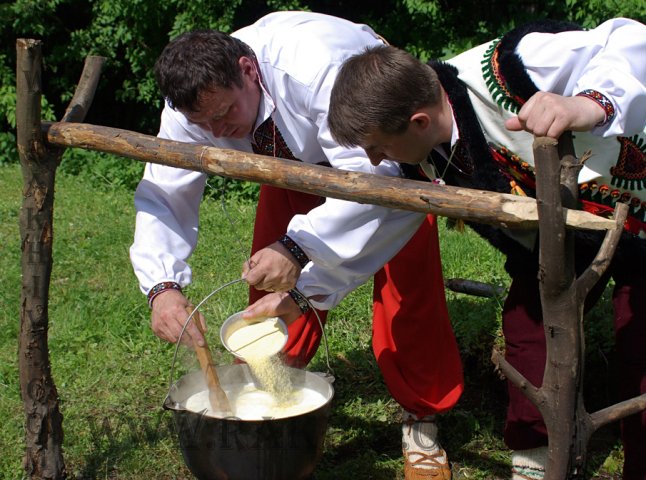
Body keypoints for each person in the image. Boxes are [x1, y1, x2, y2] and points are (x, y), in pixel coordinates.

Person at [130, 11, 462, 479]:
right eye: (204, 124)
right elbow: (166, 190)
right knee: (269, 297)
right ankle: (273, 393)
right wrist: (162, 285)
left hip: (379, 160)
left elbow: (375, 176)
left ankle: (422, 417)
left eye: (226, 114)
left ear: (248, 71)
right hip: (287, 163)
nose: (218, 131)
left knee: (408, 291)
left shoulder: (316, 67)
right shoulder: (193, 104)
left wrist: (298, 247)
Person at [325, 17, 646, 480]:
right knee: (530, 329)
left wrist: (587, 103)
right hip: (566, 242)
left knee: (641, 349)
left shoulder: (512, 66)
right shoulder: (421, 149)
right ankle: (537, 457)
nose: (374, 160)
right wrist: (301, 269)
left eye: (377, 147)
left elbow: (631, 37)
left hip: (641, 214)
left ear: (417, 121)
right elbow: (370, 220)